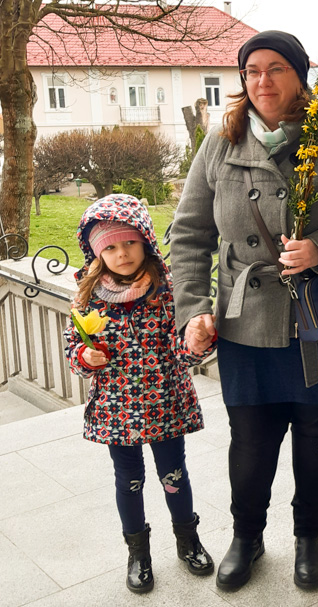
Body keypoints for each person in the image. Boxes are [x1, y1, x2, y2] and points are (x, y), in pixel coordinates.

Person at [169, 30, 318, 591]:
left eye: (276, 68)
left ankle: (310, 535)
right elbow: (188, 235)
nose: (263, 81)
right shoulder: (221, 143)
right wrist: (192, 309)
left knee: (316, 429)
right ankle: (247, 536)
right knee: (251, 436)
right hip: (246, 318)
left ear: (302, 73)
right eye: (252, 70)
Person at [64, 194, 215, 594]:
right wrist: (85, 355)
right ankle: (138, 552)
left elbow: (181, 345)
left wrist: (197, 341)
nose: (122, 253)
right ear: (97, 253)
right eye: (110, 247)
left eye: (128, 242)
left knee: (173, 474)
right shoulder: (87, 296)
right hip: (116, 408)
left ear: (144, 240)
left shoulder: (166, 288)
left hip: (164, 401)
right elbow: (72, 350)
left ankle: (188, 539)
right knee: (128, 479)